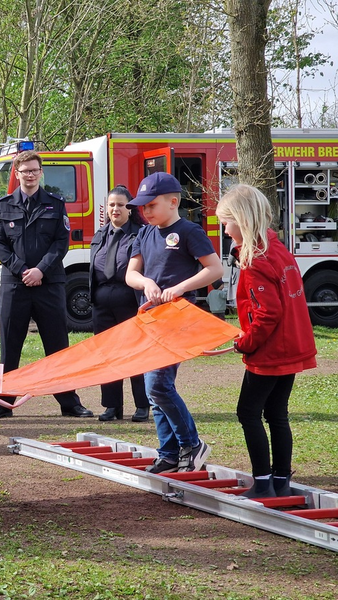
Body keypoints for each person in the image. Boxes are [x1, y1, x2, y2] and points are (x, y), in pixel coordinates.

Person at [216, 184, 316, 498]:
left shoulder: (256, 260)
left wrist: (245, 343)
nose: (224, 228)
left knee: (248, 412)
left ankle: (262, 483)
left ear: (242, 221)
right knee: (277, 413)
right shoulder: (277, 249)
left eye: (227, 221)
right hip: (292, 347)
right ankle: (281, 481)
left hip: (272, 352)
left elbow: (267, 314)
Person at [0, 150, 93, 419]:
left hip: (49, 283)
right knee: (9, 345)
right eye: (25, 171)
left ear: (40, 173)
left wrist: (40, 270)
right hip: (15, 284)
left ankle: (69, 402)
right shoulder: (4, 205)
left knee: (57, 346)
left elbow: (60, 242)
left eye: (34, 170)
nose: (30, 175)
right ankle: (2, 401)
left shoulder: (55, 204)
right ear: (17, 174)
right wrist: (23, 270)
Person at [125, 171, 222, 473]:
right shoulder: (144, 232)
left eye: (151, 205)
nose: (146, 211)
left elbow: (215, 269)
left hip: (178, 319)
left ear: (173, 202)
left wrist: (181, 288)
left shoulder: (189, 231)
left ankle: (191, 443)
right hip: (150, 319)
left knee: (158, 385)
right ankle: (168, 453)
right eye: (143, 207)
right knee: (154, 390)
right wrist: (145, 283)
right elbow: (131, 274)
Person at [89, 185, 151, 422]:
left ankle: (142, 405)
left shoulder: (141, 234)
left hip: (129, 303)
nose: (116, 209)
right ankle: (112, 406)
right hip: (102, 306)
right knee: (107, 356)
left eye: (121, 205)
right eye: (112, 204)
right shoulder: (100, 235)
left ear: (130, 208)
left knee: (134, 355)